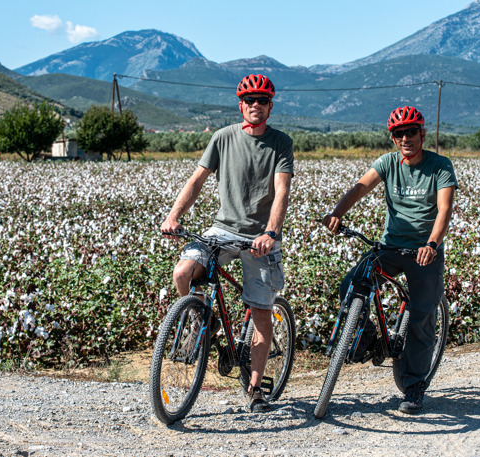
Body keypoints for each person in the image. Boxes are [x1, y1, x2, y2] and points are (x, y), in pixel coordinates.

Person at [161, 74, 294, 413]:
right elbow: (197, 180)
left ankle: (254, 390)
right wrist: (173, 215)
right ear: (241, 105)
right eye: (249, 100)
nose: (255, 105)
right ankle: (198, 320)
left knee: (262, 313)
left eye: (262, 100)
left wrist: (271, 233)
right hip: (221, 230)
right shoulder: (222, 138)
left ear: (270, 106)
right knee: (183, 273)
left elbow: (282, 191)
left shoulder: (281, 143)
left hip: (260, 238)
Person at [322, 105, 457, 415]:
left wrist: (432, 243)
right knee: (351, 285)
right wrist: (337, 213)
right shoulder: (387, 163)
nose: (406, 137)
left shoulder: (440, 166)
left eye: (411, 132)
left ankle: (413, 387)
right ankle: (369, 334)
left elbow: (444, 209)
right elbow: (360, 187)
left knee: (421, 316)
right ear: (394, 139)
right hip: (390, 248)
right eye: (399, 133)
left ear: (423, 134)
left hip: (425, 252)